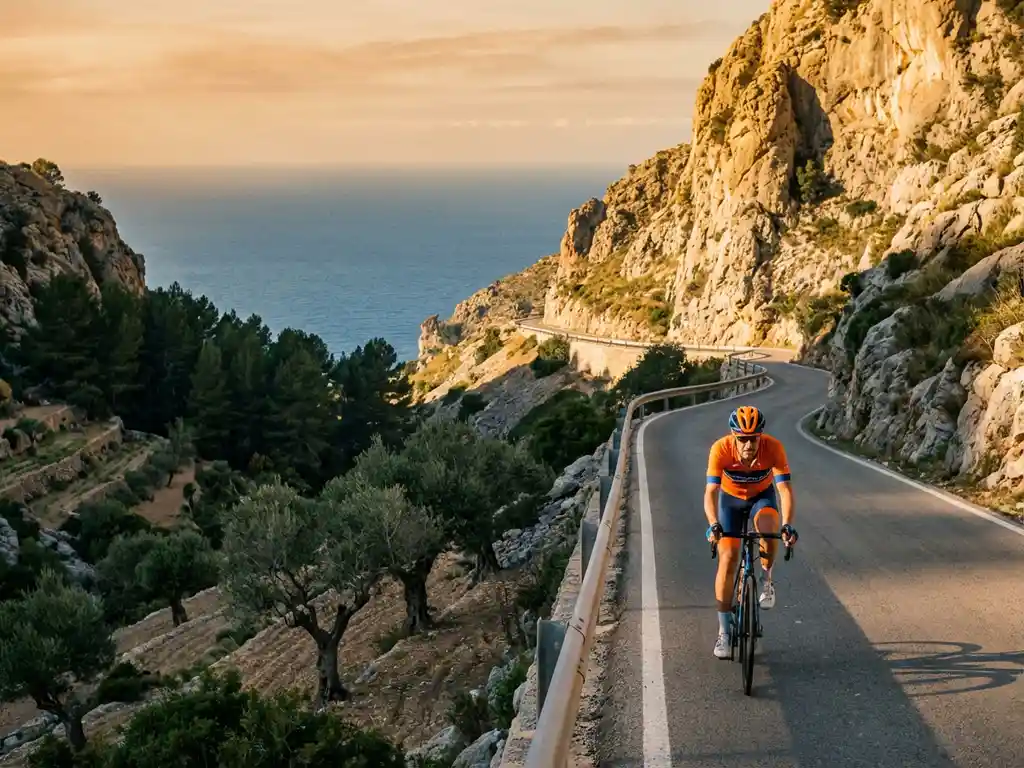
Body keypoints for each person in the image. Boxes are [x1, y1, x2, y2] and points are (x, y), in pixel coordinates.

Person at [704, 405, 798, 659]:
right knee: (728, 558)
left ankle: (767, 580)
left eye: (753, 439)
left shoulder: (773, 448)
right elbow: (711, 492)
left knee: (769, 527)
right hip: (730, 501)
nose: (748, 445)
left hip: (761, 497)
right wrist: (713, 523)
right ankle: (723, 632)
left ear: (760, 436)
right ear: (734, 437)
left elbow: (785, 490)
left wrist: (788, 524)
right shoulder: (720, 449)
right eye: (742, 439)